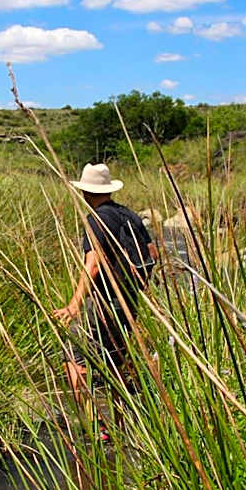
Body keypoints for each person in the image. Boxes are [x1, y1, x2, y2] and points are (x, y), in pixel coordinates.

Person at [53, 163, 157, 415]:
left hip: (103, 302)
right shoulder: (129, 215)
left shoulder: (96, 219)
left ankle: (95, 423)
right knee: (114, 364)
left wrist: (74, 304)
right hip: (128, 304)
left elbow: (93, 264)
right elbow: (152, 253)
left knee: (72, 357)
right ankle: (119, 426)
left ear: (85, 193)